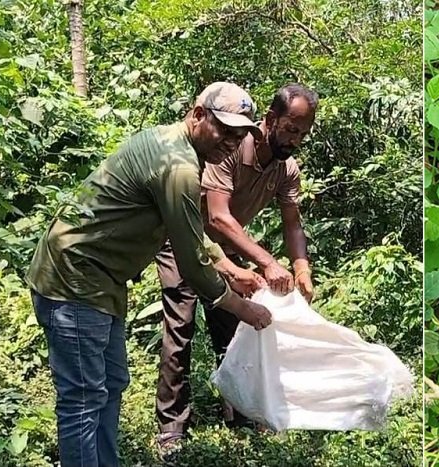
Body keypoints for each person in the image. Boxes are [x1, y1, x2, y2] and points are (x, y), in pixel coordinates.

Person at [26, 82, 271, 467]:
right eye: (225, 129)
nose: (232, 140)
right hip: (74, 278)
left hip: (101, 282)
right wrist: (242, 308)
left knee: (110, 385)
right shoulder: (178, 167)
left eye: (240, 134)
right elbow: (190, 264)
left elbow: (187, 230)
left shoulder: (174, 146)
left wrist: (228, 267)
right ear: (198, 115)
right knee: (83, 400)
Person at [154, 83, 319, 450]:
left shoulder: (286, 169)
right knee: (180, 329)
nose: (295, 140)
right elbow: (217, 218)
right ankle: (172, 428)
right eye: (291, 129)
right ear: (270, 119)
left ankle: (240, 413)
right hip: (185, 241)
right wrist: (268, 262)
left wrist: (301, 267)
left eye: (303, 134)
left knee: (238, 330)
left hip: (229, 249)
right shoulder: (231, 147)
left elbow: (293, 223)